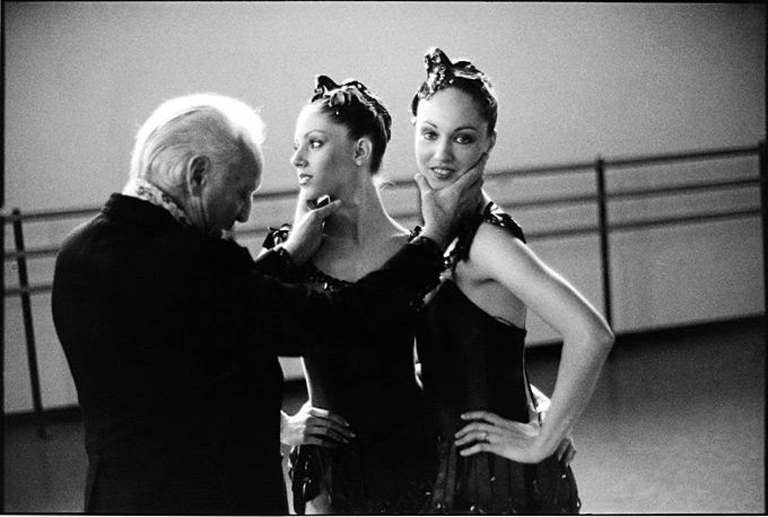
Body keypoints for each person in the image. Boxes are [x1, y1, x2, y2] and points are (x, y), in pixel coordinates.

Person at [50, 92, 482, 514]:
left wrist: (287, 257)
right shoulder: (195, 262)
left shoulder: (79, 252)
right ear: (197, 174)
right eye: (241, 192)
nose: (241, 213)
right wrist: (431, 242)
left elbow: (210, 316)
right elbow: (334, 322)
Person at [267, 75, 574, 514]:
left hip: (418, 462)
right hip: (329, 473)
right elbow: (229, 350)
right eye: (299, 144)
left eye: (313, 143)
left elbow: (462, 347)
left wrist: (539, 414)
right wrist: (281, 425)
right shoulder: (290, 253)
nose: (296, 158)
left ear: (360, 151)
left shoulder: (417, 251)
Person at [411, 48, 615, 514]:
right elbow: (476, 345)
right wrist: (538, 400)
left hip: (496, 480)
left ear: (488, 142)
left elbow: (591, 333)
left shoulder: (485, 239)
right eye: (429, 134)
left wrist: (546, 438)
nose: (441, 154)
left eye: (462, 138)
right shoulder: (438, 228)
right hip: (453, 467)